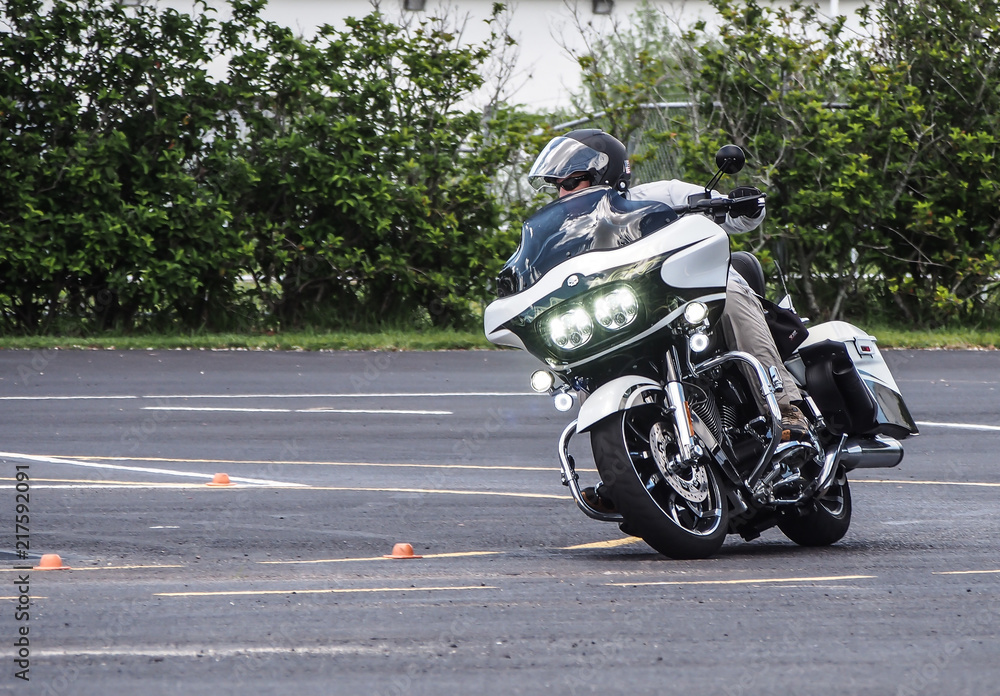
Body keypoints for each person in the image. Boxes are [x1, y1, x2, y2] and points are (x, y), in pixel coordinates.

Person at [527, 129, 810, 513]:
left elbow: (740, 220)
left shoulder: (657, 195)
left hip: (682, 299)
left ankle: (787, 407)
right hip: (623, 316)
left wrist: (741, 204)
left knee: (730, 291)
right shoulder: (562, 236)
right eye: (557, 187)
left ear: (604, 174)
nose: (563, 194)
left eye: (571, 183)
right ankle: (629, 471)